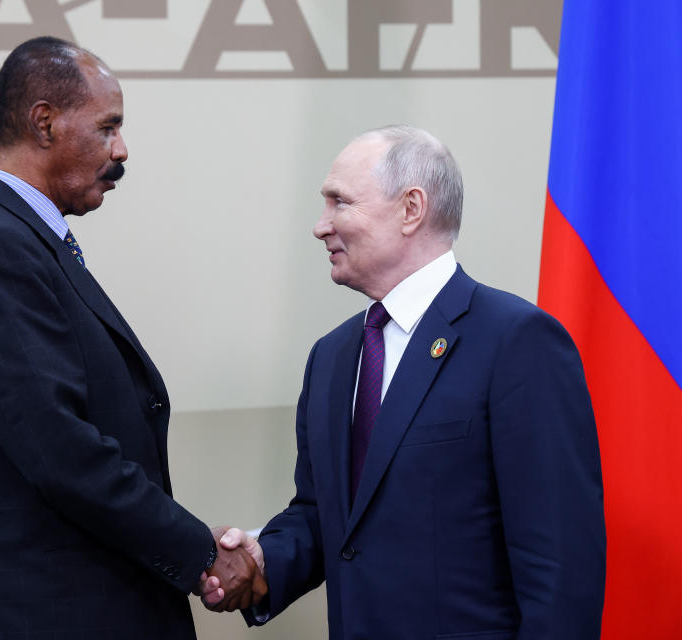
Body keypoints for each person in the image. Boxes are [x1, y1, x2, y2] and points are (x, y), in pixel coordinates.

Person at [0, 36, 264, 640]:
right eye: (108, 127)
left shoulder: (19, 241)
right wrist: (200, 551)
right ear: (45, 123)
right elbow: (62, 452)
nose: (122, 149)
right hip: (45, 614)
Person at [204, 126, 606, 639]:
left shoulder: (516, 341)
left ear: (411, 209)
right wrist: (260, 563)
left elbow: (560, 560)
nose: (320, 226)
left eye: (339, 203)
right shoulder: (331, 357)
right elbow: (326, 516)